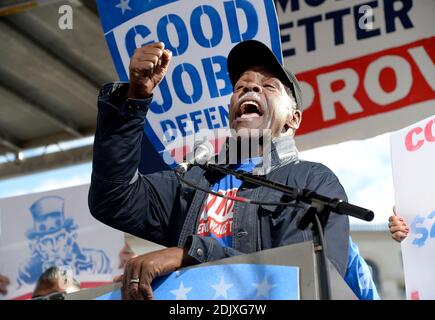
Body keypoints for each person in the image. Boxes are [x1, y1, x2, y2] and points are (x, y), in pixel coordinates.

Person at [89, 40, 376, 300]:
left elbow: (303, 280)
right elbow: (113, 199)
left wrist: (192, 255)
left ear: (293, 119)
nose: (250, 88)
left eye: (269, 86)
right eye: (241, 86)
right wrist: (135, 99)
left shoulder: (312, 180)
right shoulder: (194, 178)